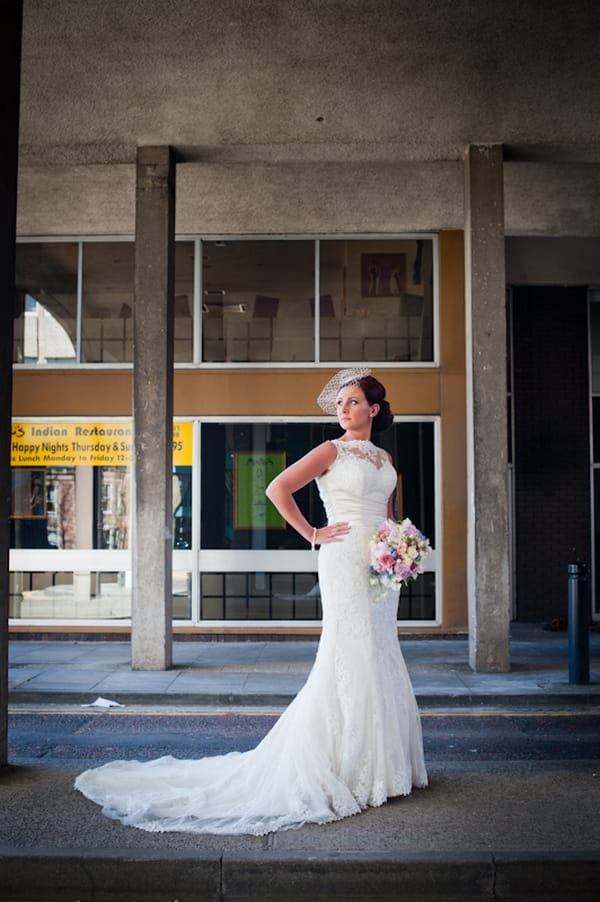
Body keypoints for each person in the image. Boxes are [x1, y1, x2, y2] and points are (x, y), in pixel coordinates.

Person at [74, 368, 427, 834]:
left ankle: (387, 766)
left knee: (381, 649)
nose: (343, 409)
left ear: (374, 409)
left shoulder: (383, 458)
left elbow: (388, 515)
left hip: (379, 565)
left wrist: (401, 548)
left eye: (353, 402)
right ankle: (349, 765)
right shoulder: (331, 450)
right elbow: (277, 488)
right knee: (351, 649)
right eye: (340, 402)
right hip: (341, 556)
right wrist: (314, 534)